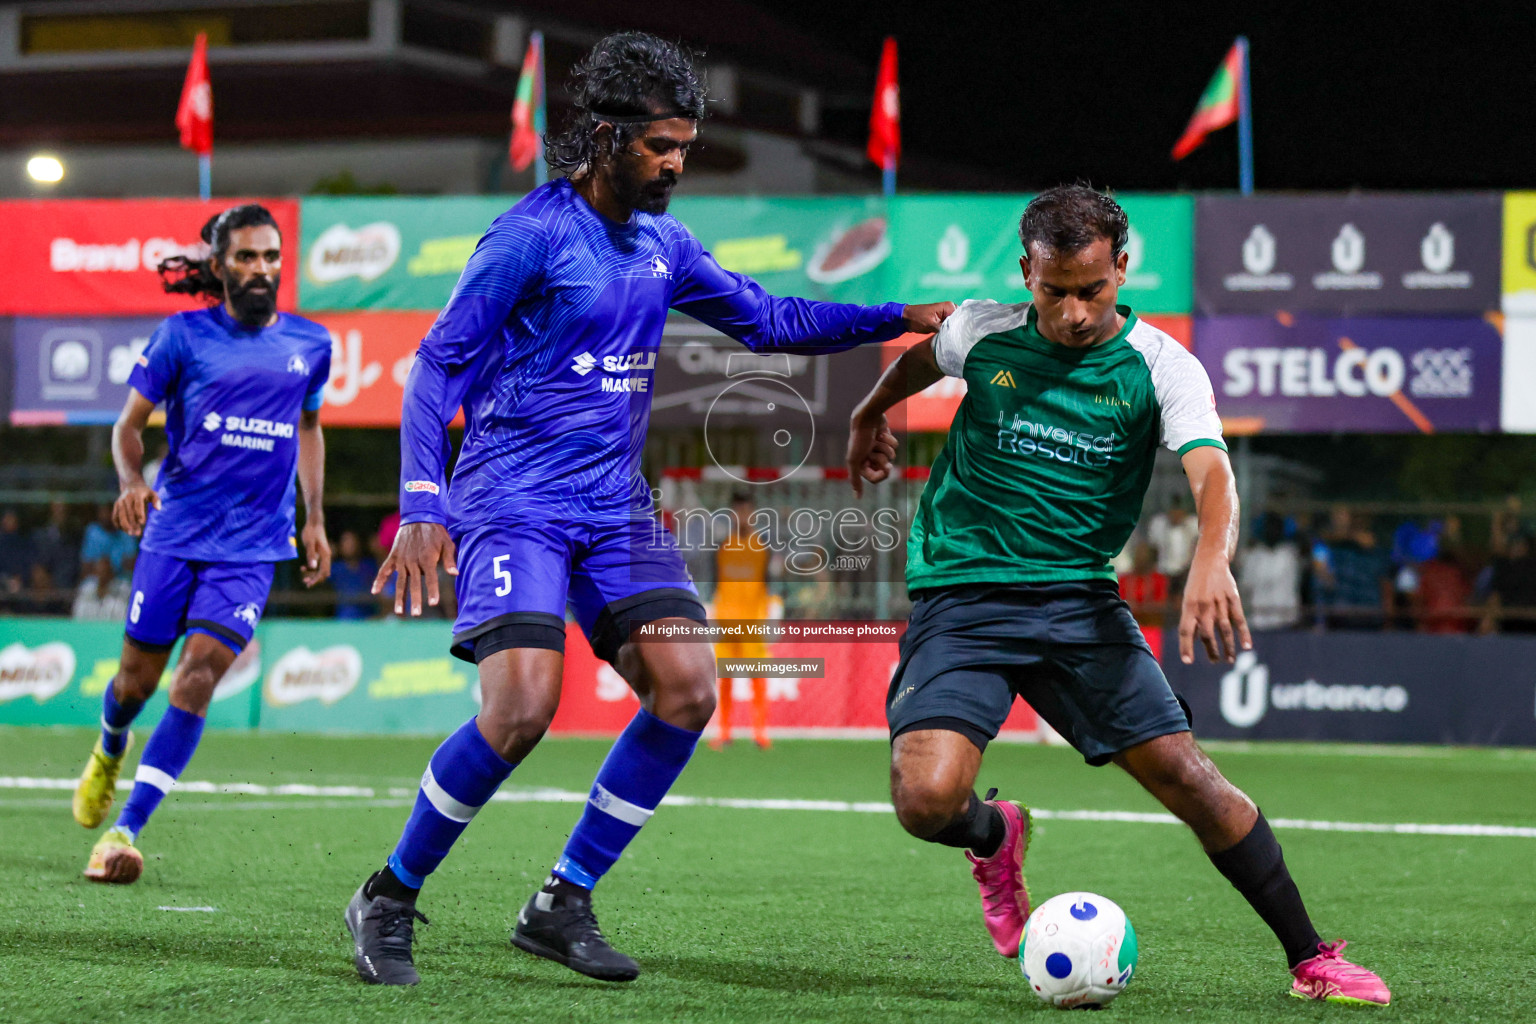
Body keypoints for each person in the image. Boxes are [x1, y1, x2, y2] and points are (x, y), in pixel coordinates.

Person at [344, 31, 953, 987]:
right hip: (514, 500)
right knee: (520, 710)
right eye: (660, 145)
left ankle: (563, 900)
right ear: (604, 135)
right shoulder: (528, 237)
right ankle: (389, 894)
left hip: (614, 509)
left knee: (687, 688)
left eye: (685, 146)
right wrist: (422, 499)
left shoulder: (665, 244)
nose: (676, 163)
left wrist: (893, 316)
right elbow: (436, 366)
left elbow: (767, 319)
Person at [846, 185, 1389, 1005]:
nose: (1070, 312)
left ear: (1122, 269)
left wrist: (1212, 558)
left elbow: (1212, 469)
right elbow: (922, 359)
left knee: (1190, 779)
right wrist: (868, 411)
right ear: (1026, 271)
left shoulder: (1161, 365)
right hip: (962, 597)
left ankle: (1312, 957)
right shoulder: (981, 331)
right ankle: (997, 835)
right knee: (925, 801)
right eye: (1052, 289)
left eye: (1091, 289)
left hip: (1077, 604)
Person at [70, 204, 332, 884]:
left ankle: (126, 830)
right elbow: (128, 426)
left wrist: (315, 519)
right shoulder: (182, 336)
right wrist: (130, 479)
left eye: (271, 257)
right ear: (219, 267)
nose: (261, 269)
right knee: (135, 684)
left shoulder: (312, 344)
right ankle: (109, 744)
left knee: (199, 675)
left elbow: (308, 429)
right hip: (176, 532)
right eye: (246, 258)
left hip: (251, 547)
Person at [709, 492, 776, 750]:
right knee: (724, 679)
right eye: (738, 511)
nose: (742, 516)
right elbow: (715, 584)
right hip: (726, 621)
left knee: (757, 678)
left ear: (754, 514)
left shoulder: (762, 547)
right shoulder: (722, 546)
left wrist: (769, 616)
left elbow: (768, 585)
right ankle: (724, 731)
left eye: (746, 510)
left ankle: (760, 732)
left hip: (753, 622)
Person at [1239, 512, 1302, 630]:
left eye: (1275, 528)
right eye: (1269, 528)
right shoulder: (1253, 556)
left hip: (1286, 622)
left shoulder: (1290, 555)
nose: (1272, 531)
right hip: (1258, 621)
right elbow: (1245, 586)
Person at [1146, 496, 1200, 592]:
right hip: (1163, 571)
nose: (1175, 515)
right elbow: (1152, 549)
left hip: (1186, 572)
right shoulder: (1158, 524)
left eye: (1178, 512)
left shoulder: (1193, 525)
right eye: (1173, 512)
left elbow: (1197, 548)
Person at [330, 529, 378, 620]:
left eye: (352, 541)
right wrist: (326, 558)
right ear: (340, 546)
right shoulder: (336, 568)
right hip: (343, 619)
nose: (350, 545)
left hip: (368, 619)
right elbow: (311, 578)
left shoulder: (369, 566)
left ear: (358, 544)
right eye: (346, 542)